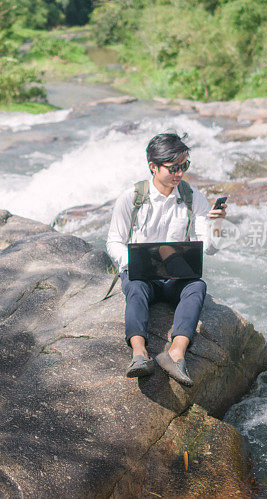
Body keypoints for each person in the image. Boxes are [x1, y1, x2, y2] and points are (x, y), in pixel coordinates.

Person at [106, 132, 227, 385]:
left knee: (197, 286)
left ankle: (176, 354)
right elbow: (113, 240)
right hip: (140, 275)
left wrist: (217, 225)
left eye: (184, 166)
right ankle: (139, 355)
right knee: (136, 287)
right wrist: (130, 262)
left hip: (175, 277)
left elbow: (211, 249)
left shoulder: (193, 198)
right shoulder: (132, 198)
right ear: (153, 166)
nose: (180, 173)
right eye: (173, 168)